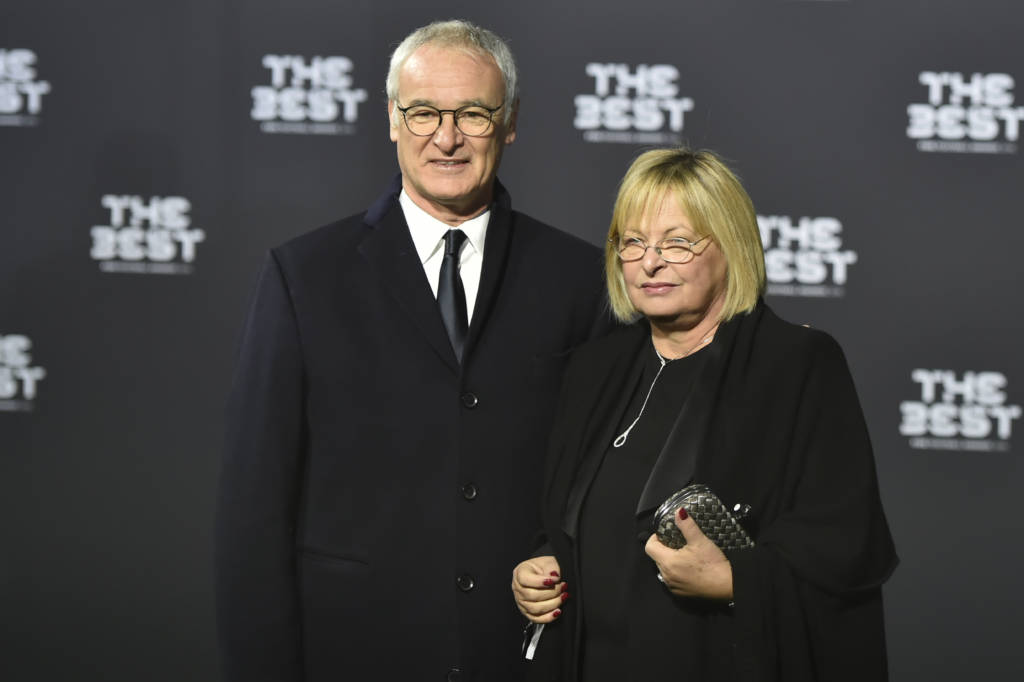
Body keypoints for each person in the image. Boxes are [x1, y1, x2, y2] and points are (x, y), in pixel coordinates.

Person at [216, 20, 611, 682]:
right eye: (424, 112)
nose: (447, 137)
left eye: (473, 115)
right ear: (393, 120)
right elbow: (255, 507)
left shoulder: (579, 279)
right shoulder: (305, 275)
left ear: (510, 123)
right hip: (353, 651)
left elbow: (598, 482)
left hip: (522, 655)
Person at [512, 148, 898, 681]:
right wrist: (544, 564)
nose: (650, 262)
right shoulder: (595, 367)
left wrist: (736, 580)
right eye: (633, 242)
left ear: (731, 247)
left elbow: (846, 547)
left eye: (677, 242)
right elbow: (569, 522)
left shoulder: (794, 365)